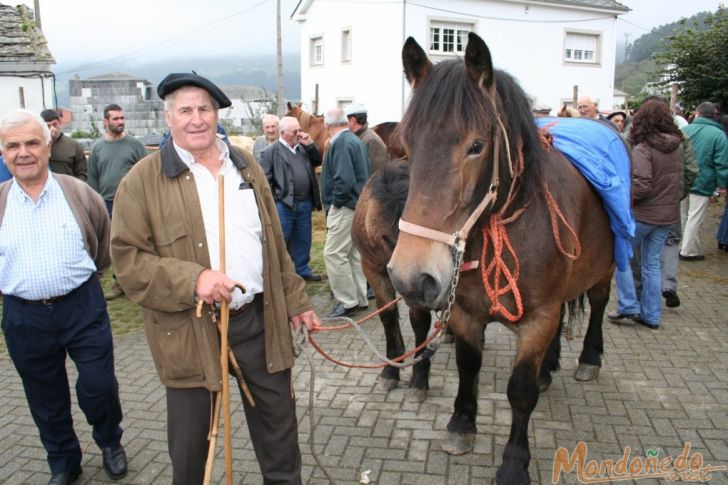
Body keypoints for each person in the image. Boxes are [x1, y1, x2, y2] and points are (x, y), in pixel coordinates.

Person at [110, 72, 320, 485]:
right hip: (190, 328)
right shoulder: (141, 181)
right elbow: (128, 263)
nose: (196, 119)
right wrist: (194, 279)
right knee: (191, 449)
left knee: (279, 431)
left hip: (257, 321)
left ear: (217, 114)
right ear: (168, 117)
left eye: (204, 109)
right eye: (185, 110)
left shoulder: (246, 166)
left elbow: (274, 245)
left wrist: (297, 301)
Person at [0, 109, 127, 485]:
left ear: (48, 143)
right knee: (45, 396)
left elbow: (104, 244)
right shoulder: (1, 202)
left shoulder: (78, 193)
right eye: (13, 145)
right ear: (3, 152)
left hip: (82, 306)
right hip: (24, 317)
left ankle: (109, 442)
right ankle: (63, 462)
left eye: (31, 143)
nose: (23, 152)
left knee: (99, 385)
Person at [608, 100, 683, 329]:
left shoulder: (643, 149)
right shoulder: (676, 146)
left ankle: (628, 305)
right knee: (652, 264)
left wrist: (621, 196)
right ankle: (651, 316)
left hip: (643, 216)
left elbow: (641, 186)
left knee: (622, 257)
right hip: (667, 216)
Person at [87, 103, 147, 300]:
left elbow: (145, 173)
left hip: (132, 203)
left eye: (122, 118)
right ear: (105, 122)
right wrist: (96, 205)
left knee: (135, 243)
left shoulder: (134, 145)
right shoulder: (97, 148)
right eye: (116, 119)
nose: (121, 122)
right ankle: (119, 281)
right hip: (107, 204)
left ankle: (137, 282)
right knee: (114, 247)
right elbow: (93, 178)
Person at [260, 116, 323, 281]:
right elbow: (266, 180)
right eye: (295, 131)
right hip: (285, 204)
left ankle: (303, 270)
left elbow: (317, 160)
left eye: (299, 130)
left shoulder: (303, 148)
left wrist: (310, 144)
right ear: (283, 133)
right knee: (281, 240)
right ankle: (280, 273)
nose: (299, 134)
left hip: (305, 203)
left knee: (304, 239)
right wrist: (277, 200)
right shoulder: (270, 152)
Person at [321, 107, 370, 317]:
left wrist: (336, 203)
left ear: (327, 125)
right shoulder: (354, 140)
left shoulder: (340, 143)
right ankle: (360, 298)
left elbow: (344, 179)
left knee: (333, 254)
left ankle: (347, 302)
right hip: (356, 205)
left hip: (345, 207)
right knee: (352, 254)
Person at [679, 101, 728, 261]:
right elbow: (722, 162)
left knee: (683, 215)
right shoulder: (718, 135)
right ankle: (688, 251)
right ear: (714, 115)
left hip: (682, 180)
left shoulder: (683, 130)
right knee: (695, 217)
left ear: (696, 113)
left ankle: (679, 246)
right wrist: (723, 184)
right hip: (703, 181)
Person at [40, 109, 88, 181]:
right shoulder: (38, 146)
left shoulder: (73, 146)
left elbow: (82, 173)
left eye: (54, 124)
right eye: (48, 126)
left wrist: (75, 188)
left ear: (59, 122)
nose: (52, 129)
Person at [345, 103, 390, 173]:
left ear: (352, 121)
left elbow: (377, 174)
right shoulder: (358, 137)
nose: (343, 123)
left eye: (345, 120)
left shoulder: (372, 141)